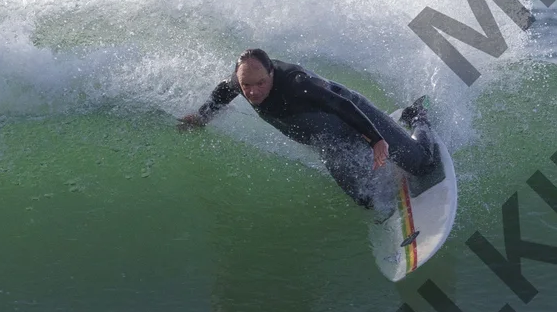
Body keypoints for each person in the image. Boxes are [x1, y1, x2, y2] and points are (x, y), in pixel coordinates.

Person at [178, 49, 440, 209]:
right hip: (330, 142)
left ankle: (416, 116)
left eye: (260, 83)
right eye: (246, 85)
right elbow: (224, 90)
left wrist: (375, 140)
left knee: (424, 165)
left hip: (355, 115)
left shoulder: (297, 84)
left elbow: (342, 105)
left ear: (271, 74)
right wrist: (202, 117)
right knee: (367, 200)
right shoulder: (242, 80)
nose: (253, 92)